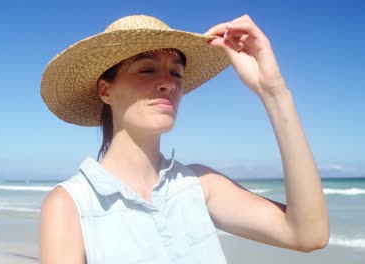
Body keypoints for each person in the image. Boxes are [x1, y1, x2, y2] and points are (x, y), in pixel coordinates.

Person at [38, 14, 329, 263]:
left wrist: (273, 92)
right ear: (105, 91)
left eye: (176, 73)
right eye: (147, 69)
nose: (168, 84)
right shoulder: (72, 204)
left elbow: (308, 234)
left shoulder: (199, 186)